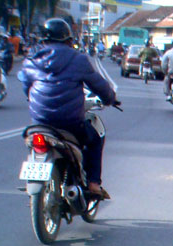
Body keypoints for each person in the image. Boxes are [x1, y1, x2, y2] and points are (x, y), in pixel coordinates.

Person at [17, 18, 118, 197]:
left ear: (43, 40)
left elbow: (27, 86)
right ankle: (94, 184)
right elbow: (99, 85)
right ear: (69, 40)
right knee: (95, 138)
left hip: (40, 122)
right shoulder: (78, 59)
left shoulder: (31, 60)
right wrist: (110, 99)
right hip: (70, 123)